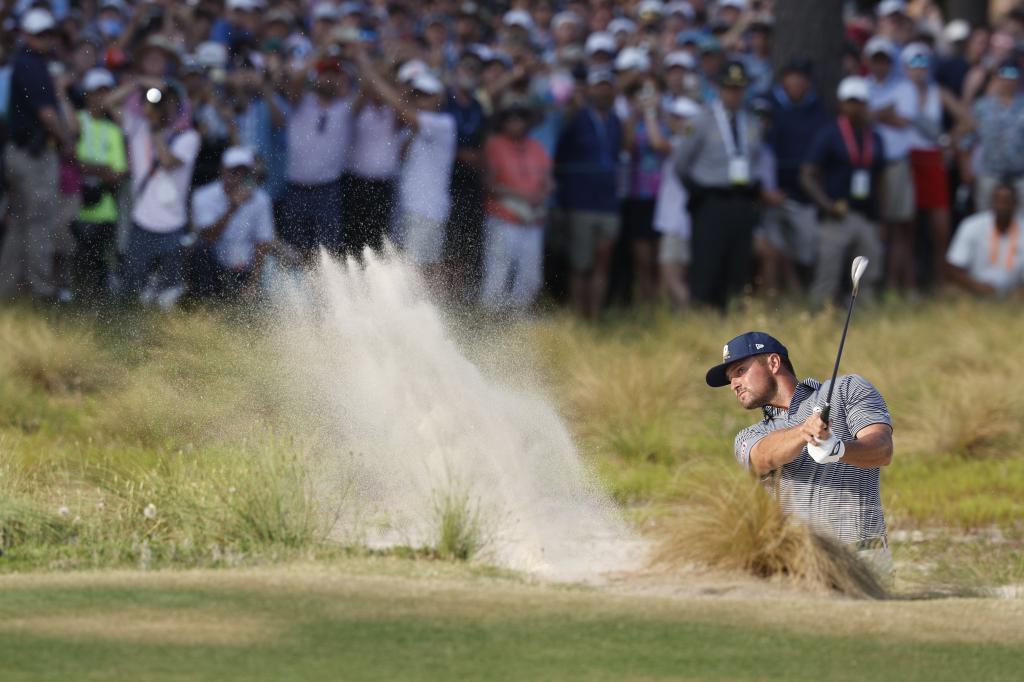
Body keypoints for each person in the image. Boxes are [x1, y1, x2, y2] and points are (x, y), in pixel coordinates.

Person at [705, 331, 894, 572]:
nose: (734, 385)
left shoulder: (845, 389)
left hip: (864, 554)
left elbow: (882, 449)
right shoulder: (748, 436)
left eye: (740, 371)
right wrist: (804, 432)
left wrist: (838, 448)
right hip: (795, 563)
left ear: (773, 363)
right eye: (731, 379)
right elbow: (762, 458)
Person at [357, 55, 456, 285]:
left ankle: (421, 316)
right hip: (408, 207)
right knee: (408, 267)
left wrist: (372, 75)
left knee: (417, 270)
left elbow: (401, 108)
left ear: (439, 98)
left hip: (426, 209)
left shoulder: (442, 124)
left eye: (426, 95)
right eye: (417, 94)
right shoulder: (413, 127)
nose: (421, 99)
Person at [673, 60, 764, 309]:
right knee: (707, 262)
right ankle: (702, 313)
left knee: (738, 264)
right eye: (729, 88)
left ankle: (732, 313)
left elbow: (756, 159)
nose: (734, 94)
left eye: (739, 88)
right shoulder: (701, 121)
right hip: (711, 201)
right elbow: (680, 163)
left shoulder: (752, 122)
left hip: (742, 200)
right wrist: (697, 190)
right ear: (719, 88)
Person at [0, 9, 71, 300]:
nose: (46, 39)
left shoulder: (30, 63)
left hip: (22, 152)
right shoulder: (31, 65)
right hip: (32, 155)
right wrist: (67, 140)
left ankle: (6, 291)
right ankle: (42, 291)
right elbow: (47, 114)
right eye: (40, 34)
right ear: (26, 35)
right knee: (39, 222)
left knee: (20, 223)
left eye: (48, 34)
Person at [110, 81, 200, 307]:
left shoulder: (188, 138)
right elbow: (108, 103)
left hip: (172, 225)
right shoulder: (138, 127)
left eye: (170, 102)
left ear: (179, 106)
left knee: (168, 296)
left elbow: (168, 161)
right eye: (161, 102)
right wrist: (139, 82)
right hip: (142, 222)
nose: (164, 108)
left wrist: (156, 129)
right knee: (133, 291)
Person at [801, 77, 885, 306]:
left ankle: (862, 318)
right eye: (850, 101)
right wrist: (826, 204)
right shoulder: (829, 134)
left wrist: (881, 216)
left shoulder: (874, 137)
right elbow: (807, 174)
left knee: (868, 274)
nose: (855, 107)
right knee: (828, 272)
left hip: (866, 215)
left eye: (859, 102)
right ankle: (820, 316)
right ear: (841, 104)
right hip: (836, 216)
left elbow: (880, 177)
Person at [901, 43, 971, 289]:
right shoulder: (900, 92)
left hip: (932, 160)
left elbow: (967, 121)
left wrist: (948, 139)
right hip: (908, 160)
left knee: (939, 228)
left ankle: (940, 281)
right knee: (907, 228)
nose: (919, 70)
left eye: (923, 65)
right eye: (913, 65)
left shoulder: (937, 91)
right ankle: (909, 284)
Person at [555, 69, 623, 317]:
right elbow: (561, 156)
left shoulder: (616, 121)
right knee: (580, 265)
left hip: (608, 203)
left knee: (602, 263)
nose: (603, 91)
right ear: (590, 90)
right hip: (581, 202)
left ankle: (594, 318)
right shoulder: (576, 119)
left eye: (608, 86)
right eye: (599, 86)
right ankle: (577, 317)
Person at [480, 99, 553, 311]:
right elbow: (488, 183)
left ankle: (517, 323)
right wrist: (522, 196)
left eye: (520, 119)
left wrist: (542, 193)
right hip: (503, 218)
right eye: (511, 119)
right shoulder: (494, 145)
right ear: (503, 123)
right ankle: (490, 320)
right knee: (497, 272)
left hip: (532, 219)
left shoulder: (536, 147)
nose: (516, 123)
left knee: (530, 277)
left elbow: (548, 180)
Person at [864, 36, 917, 295]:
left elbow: (903, 122)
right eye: (876, 60)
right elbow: (863, 118)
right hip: (867, 166)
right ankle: (872, 285)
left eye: (884, 60)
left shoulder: (904, 87)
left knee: (898, 228)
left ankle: (895, 286)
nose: (880, 65)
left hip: (896, 164)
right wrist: (885, 112)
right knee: (875, 226)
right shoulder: (862, 86)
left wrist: (874, 114)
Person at [189, 147, 275, 300]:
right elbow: (208, 237)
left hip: (245, 269)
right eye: (233, 171)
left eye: (243, 173)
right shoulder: (204, 196)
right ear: (222, 171)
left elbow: (263, 243)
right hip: (215, 268)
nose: (238, 177)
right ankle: (205, 302)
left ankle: (247, 294)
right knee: (200, 250)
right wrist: (232, 208)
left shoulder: (261, 200)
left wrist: (253, 284)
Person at [72, 67, 127, 303]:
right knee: (74, 260)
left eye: (106, 92)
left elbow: (119, 171)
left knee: (98, 264)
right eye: (96, 92)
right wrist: (99, 169)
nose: (101, 98)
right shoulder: (76, 121)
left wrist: (89, 168)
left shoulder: (113, 129)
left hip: (104, 207)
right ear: (87, 94)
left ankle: (95, 306)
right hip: (75, 204)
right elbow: (71, 162)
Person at [653, 96, 700, 309]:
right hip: (681, 221)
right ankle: (682, 323)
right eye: (674, 116)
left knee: (670, 273)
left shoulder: (684, 143)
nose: (675, 121)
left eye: (680, 117)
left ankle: (694, 315)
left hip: (679, 222)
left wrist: (649, 112)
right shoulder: (692, 143)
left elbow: (657, 143)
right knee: (676, 276)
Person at [946, 180, 1024, 297]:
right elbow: (953, 267)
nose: (1003, 206)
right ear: (991, 202)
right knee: (950, 292)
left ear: (1016, 204)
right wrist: (978, 287)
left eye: (1007, 201)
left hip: (1016, 292)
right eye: (999, 201)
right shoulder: (971, 225)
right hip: (974, 288)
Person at [969, 61, 1024, 212]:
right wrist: (967, 173)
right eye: (1004, 77)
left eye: (1012, 77)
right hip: (989, 174)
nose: (1008, 82)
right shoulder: (981, 106)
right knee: (985, 221)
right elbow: (967, 141)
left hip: (1020, 176)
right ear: (997, 79)